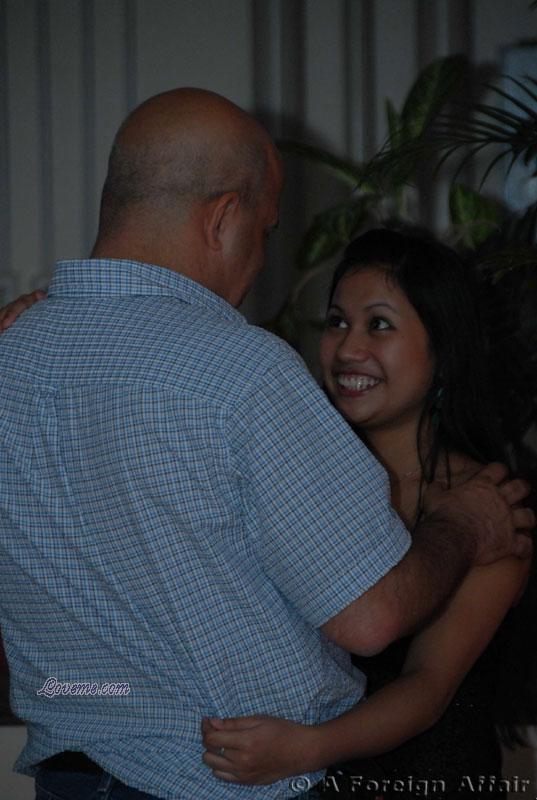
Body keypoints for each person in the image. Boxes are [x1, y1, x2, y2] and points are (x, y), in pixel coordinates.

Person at [0, 91, 532, 800]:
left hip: (72, 774)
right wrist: (461, 527)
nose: (347, 346)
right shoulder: (242, 370)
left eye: (380, 325)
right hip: (216, 783)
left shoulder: (14, 350)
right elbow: (371, 618)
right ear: (223, 218)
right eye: (265, 230)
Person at [201, 228, 532, 798]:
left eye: (379, 324)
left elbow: (428, 686)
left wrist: (306, 747)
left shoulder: (488, 504)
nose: (348, 349)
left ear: (442, 350)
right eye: (337, 322)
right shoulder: (300, 474)